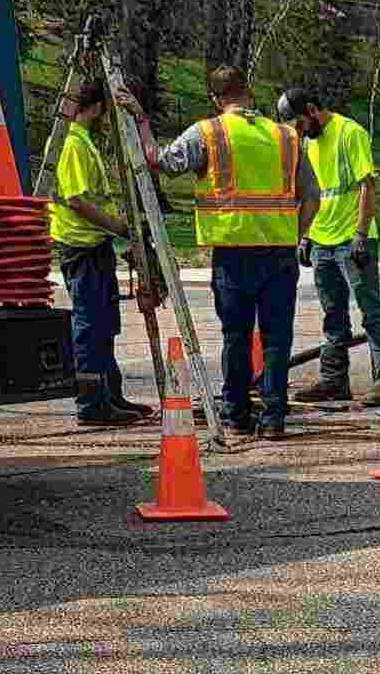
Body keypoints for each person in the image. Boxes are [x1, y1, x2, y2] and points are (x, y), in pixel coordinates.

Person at [115, 65, 318, 441]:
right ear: (249, 93)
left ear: (215, 98)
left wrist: (141, 119)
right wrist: (295, 233)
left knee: (236, 336)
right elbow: (312, 195)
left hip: (232, 253)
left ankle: (235, 414)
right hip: (279, 253)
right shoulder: (286, 137)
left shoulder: (208, 132)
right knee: (277, 338)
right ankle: (274, 417)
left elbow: (159, 159)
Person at [278, 86, 380, 408]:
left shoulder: (350, 133)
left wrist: (361, 233)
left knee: (371, 311)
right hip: (322, 240)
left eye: (302, 124)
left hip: (351, 240)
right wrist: (306, 236)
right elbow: (312, 193)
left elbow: (366, 186)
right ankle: (334, 380)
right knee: (333, 314)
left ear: (313, 110)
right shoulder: (308, 141)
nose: (302, 132)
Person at [45, 76, 151, 427]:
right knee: (90, 326)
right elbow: (76, 199)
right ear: (97, 107)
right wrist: (117, 227)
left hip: (95, 242)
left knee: (105, 324)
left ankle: (111, 395)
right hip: (81, 245)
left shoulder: (85, 141)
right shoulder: (74, 144)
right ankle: (91, 402)